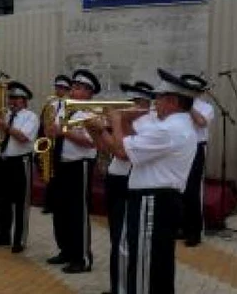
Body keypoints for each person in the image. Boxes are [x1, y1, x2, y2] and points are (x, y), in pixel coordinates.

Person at [86, 69, 198, 294]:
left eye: (159, 98)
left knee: (145, 265)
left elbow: (123, 151)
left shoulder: (169, 129)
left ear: (173, 101)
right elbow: (131, 143)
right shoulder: (175, 125)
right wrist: (122, 122)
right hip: (157, 199)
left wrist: (115, 120)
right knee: (156, 264)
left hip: (153, 200)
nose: (155, 103)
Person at [98, 81, 155, 294]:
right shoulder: (126, 121)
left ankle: (125, 288)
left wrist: (112, 124)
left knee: (124, 240)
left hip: (128, 184)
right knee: (116, 238)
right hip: (115, 180)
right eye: (127, 102)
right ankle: (117, 287)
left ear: (144, 105)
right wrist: (96, 129)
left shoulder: (148, 125)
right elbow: (106, 148)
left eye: (132, 102)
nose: (126, 107)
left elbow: (123, 153)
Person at [47, 69, 99, 274]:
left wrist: (63, 132)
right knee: (60, 211)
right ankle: (66, 251)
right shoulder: (64, 109)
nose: (72, 91)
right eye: (73, 87)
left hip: (80, 164)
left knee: (78, 212)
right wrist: (52, 132)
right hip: (62, 163)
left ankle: (83, 258)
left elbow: (90, 142)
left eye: (77, 88)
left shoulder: (92, 112)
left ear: (89, 92)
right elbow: (56, 132)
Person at [0, 81, 39, 253]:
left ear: (25, 101)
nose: (12, 101)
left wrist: (5, 127)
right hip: (3, 161)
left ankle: (19, 240)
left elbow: (23, 137)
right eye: (10, 98)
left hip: (20, 162)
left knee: (21, 202)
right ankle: (3, 235)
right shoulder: (5, 114)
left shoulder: (30, 116)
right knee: (3, 201)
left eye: (17, 99)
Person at [179, 74, 214, 247]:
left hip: (196, 147)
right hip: (179, 147)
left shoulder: (206, 107)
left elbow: (201, 122)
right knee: (179, 187)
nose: (188, 92)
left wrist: (189, 107)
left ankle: (195, 232)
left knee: (192, 190)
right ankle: (182, 227)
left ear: (198, 92)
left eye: (191, 90)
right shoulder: (179, 105)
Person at [40, 75, 71, 214]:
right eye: (58, 87)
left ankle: (58, 202)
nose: (59, 90)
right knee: (49, 172)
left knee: (58, 172)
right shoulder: (50, 103)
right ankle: (48, 202)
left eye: (63, 88)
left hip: (61, 140)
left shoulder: (69, 104)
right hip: (49, 139)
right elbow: (44, 120)